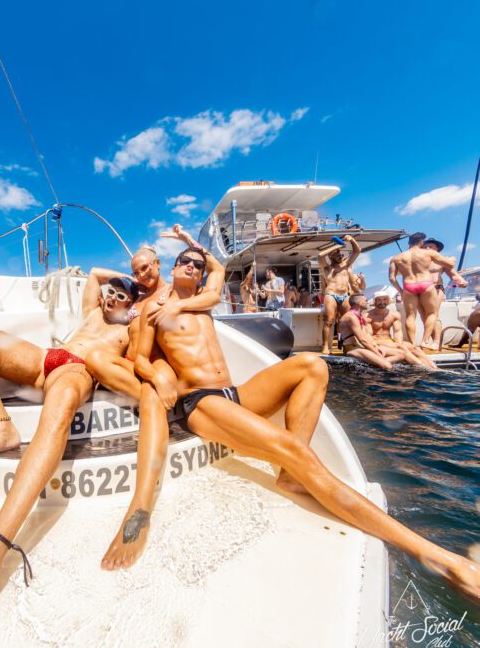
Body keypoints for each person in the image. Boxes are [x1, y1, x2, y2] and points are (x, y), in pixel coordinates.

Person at [127, 255, 480, 600]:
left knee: (312, 365)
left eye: (198, 264)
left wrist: (194, 246)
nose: (193, 266)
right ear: (171, 268)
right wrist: (159, 378)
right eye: (184, 262)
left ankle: (293, 474)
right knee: (298, 451)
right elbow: (139, 357)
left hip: (233, 393)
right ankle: (436, 556)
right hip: (199, 401)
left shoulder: (203, 302)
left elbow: (217, 271)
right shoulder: (155, 309)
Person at [0, 269, 140, 645]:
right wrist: (123, 280)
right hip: (47, 357)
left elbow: (141, 361)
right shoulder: (93, 313)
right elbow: (94, 274)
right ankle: (0, 426)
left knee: (58, 411)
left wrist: (141, 300)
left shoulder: (129, 331)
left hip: (79, 371)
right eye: (111, 294)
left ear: (132, 307)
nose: (111, 298)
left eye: (121, 297)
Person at [91, 232, 225, 570]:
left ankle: (140, 509)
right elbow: (94, 275)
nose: (142, 275)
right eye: (136, 271)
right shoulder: (134, 296)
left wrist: (188, 242)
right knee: (95, 357)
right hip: (137, 367)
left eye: (147, 268)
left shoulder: (174, 294)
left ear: (160, 264)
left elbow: (213, 274)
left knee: (155, 383)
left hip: (158, 365)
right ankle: (162, 398)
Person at [389, 232, 458, 350]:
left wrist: (400, 290)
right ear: (421, 242)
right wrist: (453, 259)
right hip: (425, 284)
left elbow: (392, 278)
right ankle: (425, 341)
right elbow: (450, 264)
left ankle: (411, 344)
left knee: (410, 316)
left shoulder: (397, 258)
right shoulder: (428, 253)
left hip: (409, 286)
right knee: (432, 314)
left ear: (409, 242)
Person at [367, 293, 438, 370]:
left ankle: (434, 367)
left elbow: (397, 332)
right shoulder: (368, 316)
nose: (382, 302)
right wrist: (398, 345)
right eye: (379, 300)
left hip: (390, 341)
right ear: (375, 301)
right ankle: (424, 367)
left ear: (388, 301)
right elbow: (368, 335)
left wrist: (398, 343)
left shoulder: (394, 315)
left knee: (415, 348)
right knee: (402, 348)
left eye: (384, 299)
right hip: (377, 341)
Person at [420, 238, 468, 347]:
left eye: (430, 246)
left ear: (437, 249)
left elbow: (453, 274)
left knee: (434, 316)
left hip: (436, 288)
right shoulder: (418, 261)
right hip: (421, 290)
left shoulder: (443, 261)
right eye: (425, 246)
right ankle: (431, 342)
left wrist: (461, 281)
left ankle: (436, 342)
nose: (427, 248)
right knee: (425, 318)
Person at [338, 294, 407, 369]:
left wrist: (376, 347)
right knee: (387, 366)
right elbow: (363, 340)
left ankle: (375, 363)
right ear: (359, 303)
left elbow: (366, 335)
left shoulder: (358, 316)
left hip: (361, 347)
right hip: (353, 349)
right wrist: (378, 354)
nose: (367, 302)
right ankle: (379, 363)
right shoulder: (352, 317)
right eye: (365, 300)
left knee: (401, 354)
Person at [318, 234, 361, 354]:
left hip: (345, 295)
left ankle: (347, 345)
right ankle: (325, 346)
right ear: (331, 256)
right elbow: (320, 255)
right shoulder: (326, 267)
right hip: (331, 294)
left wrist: (352, 240)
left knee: (347, 321)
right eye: (337, 253)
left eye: (341, 253)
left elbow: (357, 251)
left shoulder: (346, 265)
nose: (341, 254)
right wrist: (336, 246)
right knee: (329, 321)